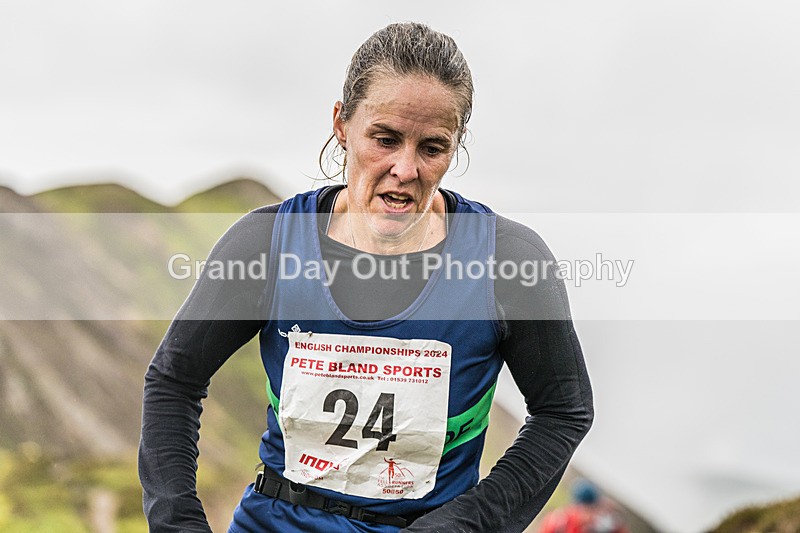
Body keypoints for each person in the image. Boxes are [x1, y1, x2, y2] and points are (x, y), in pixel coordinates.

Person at [139, 22, 594, 532]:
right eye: (385, 138)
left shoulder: (509, 262)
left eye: (433, 147)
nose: (405, 167)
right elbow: (174, 378)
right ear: (341, 123)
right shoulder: (266, 244)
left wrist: (468, 522)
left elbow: (563, 411)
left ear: (456, 146)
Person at [537, 480, 628, 533]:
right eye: (591, 509)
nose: (595, 513)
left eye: (596, 508)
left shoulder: (605, 524)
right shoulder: (559, 522)